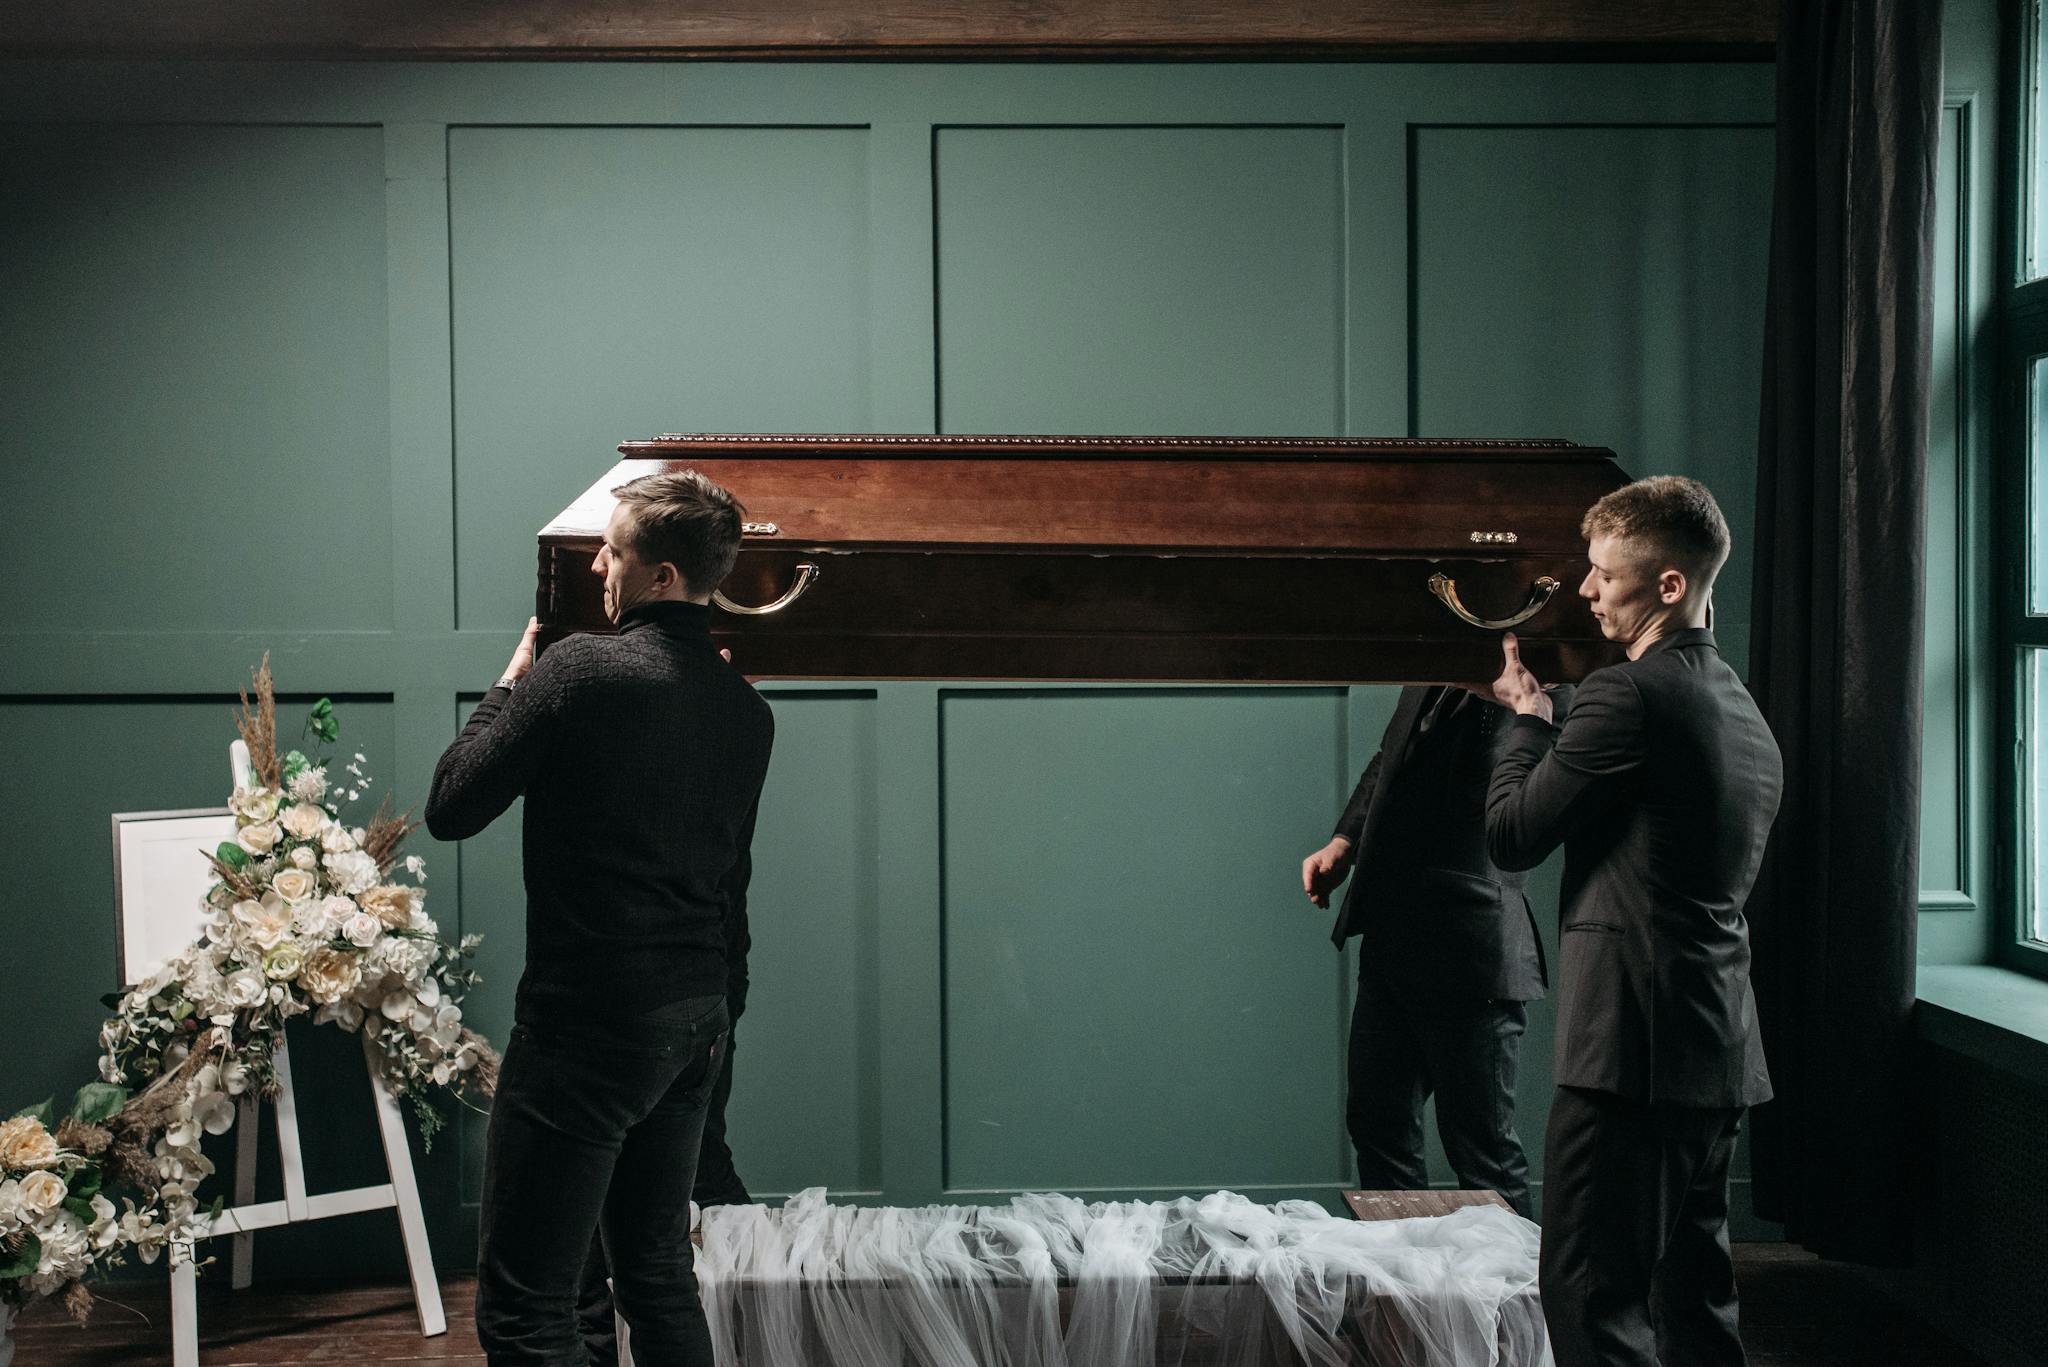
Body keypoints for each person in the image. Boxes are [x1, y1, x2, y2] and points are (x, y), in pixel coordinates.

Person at [426, 469, 774, 1367]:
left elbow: (453, 803)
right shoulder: (747, 710)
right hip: (694, 1025)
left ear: (660, 574)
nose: (595, 564)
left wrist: (510, 683)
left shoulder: (579, 671)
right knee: (657, 1276)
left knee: (525, 1308)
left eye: (612, 549)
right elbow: (729, 892)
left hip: (588, 1030)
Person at [1482, 475, 1781, 1367]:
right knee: (1697, 1302)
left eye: (1604, 574)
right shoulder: (1746, 714)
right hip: (1718, 1050)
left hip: (1631, 1058)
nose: (1585, 588)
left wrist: (1529, 724)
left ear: (1669, 587)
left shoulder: (1626, 697)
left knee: (1590, 1296)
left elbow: (1511, 836)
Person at [1302, 684, 1557, 1218]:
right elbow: (1390, 756)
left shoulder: (1545, 684)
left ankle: (1513, 1301)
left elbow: (1518, 789)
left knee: (1483, 1151)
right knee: (1378, 1127)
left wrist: (1515, 699)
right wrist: (1344, 842)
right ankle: (1401, 1291)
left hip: (1475, 953)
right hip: (1392, 935)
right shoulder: (1430, 667)